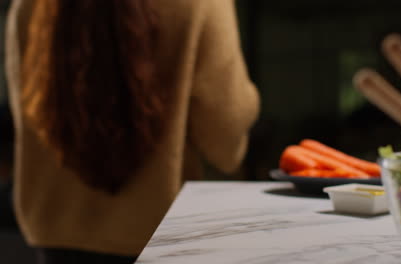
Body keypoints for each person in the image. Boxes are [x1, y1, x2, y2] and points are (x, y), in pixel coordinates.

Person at [5, 0, 259, 263]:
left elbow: (27, 120)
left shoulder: (28, 6)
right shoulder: (201, 4)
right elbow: (225, 141)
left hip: (54, 230)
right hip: (159, 232)